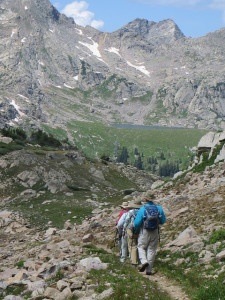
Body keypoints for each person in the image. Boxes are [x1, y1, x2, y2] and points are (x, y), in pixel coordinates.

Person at [134, 192, 166, 275]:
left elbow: (137, 223)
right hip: (155, 231)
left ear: (146, 199)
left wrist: (136, 230)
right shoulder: (159, 208)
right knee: (151, 249)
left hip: (144, 231)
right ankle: (149, 270)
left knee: (141, 247)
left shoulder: (142, 209)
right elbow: (163, 221)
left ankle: (144, 261)